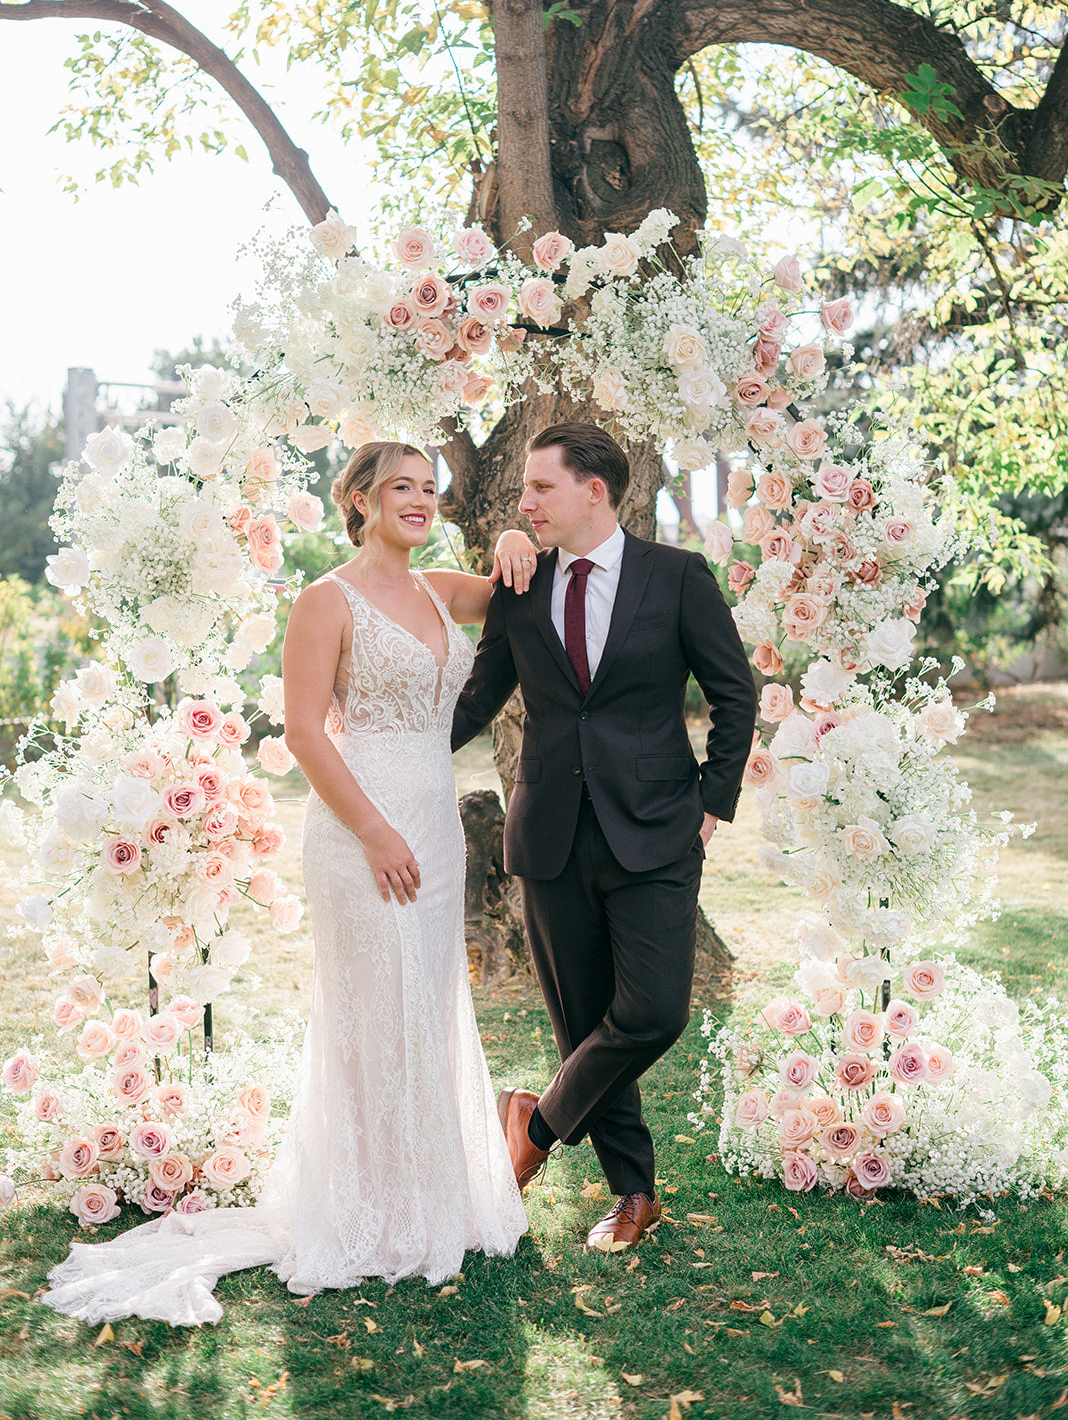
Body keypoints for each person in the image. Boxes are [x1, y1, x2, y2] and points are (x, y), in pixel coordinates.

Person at [43, 440, 535, 1325]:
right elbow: (307, 734)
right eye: (401, 488)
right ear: (359, 499)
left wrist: (508, 536)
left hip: (433, 820)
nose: (420, 502)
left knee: (424, 999)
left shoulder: (438, 591)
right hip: (362, 831)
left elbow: (514, 588)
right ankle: (361, 1210)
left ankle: (431, 1201)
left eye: (430, 490)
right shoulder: (324, 600)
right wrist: (376, 831)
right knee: (369, 1010)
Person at [451, 422, 758, 1252]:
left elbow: (736, 693)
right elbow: (479, 699)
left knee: (654, 1011)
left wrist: (712, 800)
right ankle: (633, 1195)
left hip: (657, 828)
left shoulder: (679, 578)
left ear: (595, 491)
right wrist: (389, 750)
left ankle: (535, 1123)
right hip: (549, 833)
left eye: (539, 488)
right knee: (585, 1019)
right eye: (523, 490)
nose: (524, 504)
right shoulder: (520, 585)